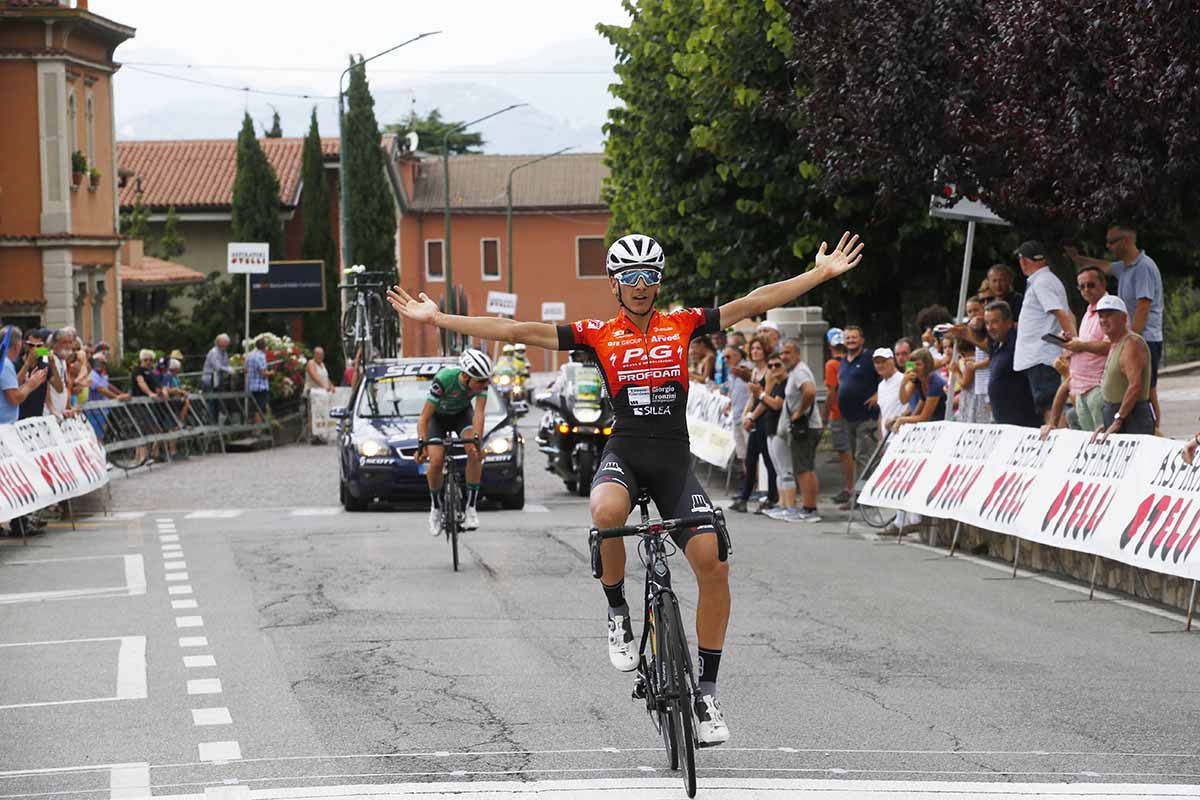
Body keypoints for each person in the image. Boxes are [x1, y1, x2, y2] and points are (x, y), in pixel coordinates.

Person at [388, 229, 865, 747]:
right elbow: (515, 329)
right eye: (629, 277)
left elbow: (755, 301)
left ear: (658, 282)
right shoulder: (597, 333)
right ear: (614, 283)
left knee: (714, 563)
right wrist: (438, 320)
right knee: (605, 511)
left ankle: (705, 694)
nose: (640, 285)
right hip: (626, 455)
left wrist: (818, 275)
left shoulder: (682, 324)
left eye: (650, 276)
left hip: (673, 463)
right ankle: (617, 611)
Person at [1067, 223, 1165, 431]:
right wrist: (1077, 259)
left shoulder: (1143, 267)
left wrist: (1131, 339)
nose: (1108, 246)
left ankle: (1155, 431)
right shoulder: (1124, 267)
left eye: (1112, 241)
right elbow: (1104, 266)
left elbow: (1143, 305)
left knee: (1147, 388)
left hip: (1144, 337)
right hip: (1126, 336)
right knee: (1125, 385)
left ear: (1128, 240)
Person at [416, 349, 492, 535]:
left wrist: (477, 444)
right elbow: (424, 418)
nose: (485, 384)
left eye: (486, 380)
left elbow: (479, 414)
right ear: (466, 377)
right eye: (480, 381)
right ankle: (435, 507)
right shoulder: (444, 380)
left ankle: (471, 508)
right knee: (436, 461)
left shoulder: (482, 383)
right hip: (437, 419)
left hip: (461, 417)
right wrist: (422, 446)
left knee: (474, 454)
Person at [1011, 241, 1077, 423]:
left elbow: (1061, 313)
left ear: (1023, 261)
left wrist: (1073, 345)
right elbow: (1068, 313)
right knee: (1052, 403)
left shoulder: (1041, 282)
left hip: (1042, 356)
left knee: (1051, 405)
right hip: (1044, 355)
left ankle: (1058, 440)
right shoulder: (1048, 280)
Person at [1055, 266, 1111, 432]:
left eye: (1091, 285)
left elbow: (1110, 346)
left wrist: (1080, 345)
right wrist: (1072, 343)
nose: (1086, 290)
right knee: (1090, 440)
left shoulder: (1110, 309)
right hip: (1082, 388)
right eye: (1082, 286)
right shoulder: (1089, 311)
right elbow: (1089, 343)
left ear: (1103, 284)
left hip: (1098, 387)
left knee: (1103, 441)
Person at [872, 347, 919, 536]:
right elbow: (882, 413)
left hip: (903, 435)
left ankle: (910, 519)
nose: (880, 365)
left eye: (884, 361)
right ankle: (901, 520)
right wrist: (881, 438)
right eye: (877, 362)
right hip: (888, 437)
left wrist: (900, 418)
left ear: (892, 361)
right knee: (897, 480)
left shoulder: (903, 378)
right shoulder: (881, 385)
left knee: (905, 478)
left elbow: (911, 405)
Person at [731, 336, 778, 513]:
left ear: (765, 351)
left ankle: (772, 498)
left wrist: (752, 416)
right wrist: (745, 415)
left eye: (758, 348)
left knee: (767, 459)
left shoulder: (770, 371)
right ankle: (744, 497)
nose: (755, 351)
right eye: (753, 349)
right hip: (755, 419)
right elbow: (752, 396)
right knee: (750, 460)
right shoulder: (754, 372)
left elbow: (765, 397)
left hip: (766, 419)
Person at [1094, 295, 1154, 437]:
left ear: (1124, 318)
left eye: (1109, 315)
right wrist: (1108, 422)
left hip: (1132, 417)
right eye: (1101, 316)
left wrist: (1118, 418)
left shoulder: (1131, 343)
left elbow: (1135, 386)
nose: (1103, 320)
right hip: (1120, 414)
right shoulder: (1115, 343)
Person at [780, 338, 822, 522]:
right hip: (809, 426)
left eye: (788, 352)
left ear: (797, 353)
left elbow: (810, 391)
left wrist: (798, 412)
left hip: (805, 427)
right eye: (782, 353)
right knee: (807, 468)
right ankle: (810, 506)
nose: (784, 356)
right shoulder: (796, 371)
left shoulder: (799, 371)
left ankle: (809, 508)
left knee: (803, 469)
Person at [837, 325, 879, 509]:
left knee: (863, 457)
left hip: (866, 417)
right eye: (848, 338)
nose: (851, 341)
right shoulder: (844, 361)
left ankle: (862, 498)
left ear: (862, 340)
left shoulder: (870, 358)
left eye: (854, 337)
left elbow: (885, 374)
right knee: (856, 456)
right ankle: (860, 495)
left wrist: (878, 394)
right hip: (849, 418)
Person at [980, 301, 1041, 427]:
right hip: (1004, 424)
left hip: (1024, 424)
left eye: (995, 322)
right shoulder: (996, 345)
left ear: (1008, 322)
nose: (990, 327)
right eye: (987, 323)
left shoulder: (1019, 345)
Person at [758, 352, 797, 520]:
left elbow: (776, 405)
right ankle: (782, 503)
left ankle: (791, 506)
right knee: (778, 469)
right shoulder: (776, 383)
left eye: (777, 365)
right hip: (771, 429)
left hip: (782, 430)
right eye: (770, 366)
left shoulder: (787, 383)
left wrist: (760, 394)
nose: (774, 368)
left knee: (786, 469)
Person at [823, 329, 854, 505]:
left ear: (829, 345)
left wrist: (825, 415)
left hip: (837, 412)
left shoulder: (831, 365)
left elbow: (831, 392)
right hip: (851, 412)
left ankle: (850, 488)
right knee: (853, 453)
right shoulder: (847, 362)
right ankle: (851, 487)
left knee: (844, 452)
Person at [954, 296, 992, 424]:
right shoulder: (970, 332)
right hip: (975, 390)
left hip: (983, 387)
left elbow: (993, 356)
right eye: (969, 311)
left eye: (976, 310)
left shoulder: (988, 332)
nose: (972, 314)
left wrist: (956, 370)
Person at [2, 326, 48, 425]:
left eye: (38, 346)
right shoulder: (6, 364)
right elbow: (14, 398)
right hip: (4, 426)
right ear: (20, 345)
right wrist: (31, 384)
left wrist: (27, 384)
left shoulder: (45, 358)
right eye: (31, 345)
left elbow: (11, 387)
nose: (35, 349)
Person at [893, 348, 948, 430]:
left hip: (944, 423)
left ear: (927, 366)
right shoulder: (917, 379)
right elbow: (904, 400)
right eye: (913, 364)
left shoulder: (935, 383)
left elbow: (924, 417)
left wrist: (902, 420)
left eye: (918, 364)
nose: (915, 368)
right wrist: (903, 382)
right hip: (934, 423)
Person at [723, 345, 751, 467]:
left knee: (751, 455)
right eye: (723, 358)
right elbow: (734, 392)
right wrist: (728, 405)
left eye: (728, 357)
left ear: (737, 355)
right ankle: (748, 484)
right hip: (736, 416)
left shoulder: (746, 368)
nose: (725, 360)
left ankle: (755, 485)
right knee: (743, 455)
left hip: (747, 418)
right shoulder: (732, 373)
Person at [245, 337, 271, 424]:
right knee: (260, 409)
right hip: (261, 386)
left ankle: (257, 428)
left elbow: (245, 370)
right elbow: (263, 373)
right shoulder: (261, 356)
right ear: (264, 347)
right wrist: (271, 373)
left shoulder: (250, 355)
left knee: (256, 408)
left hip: (252, 385)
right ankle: (258, 429)